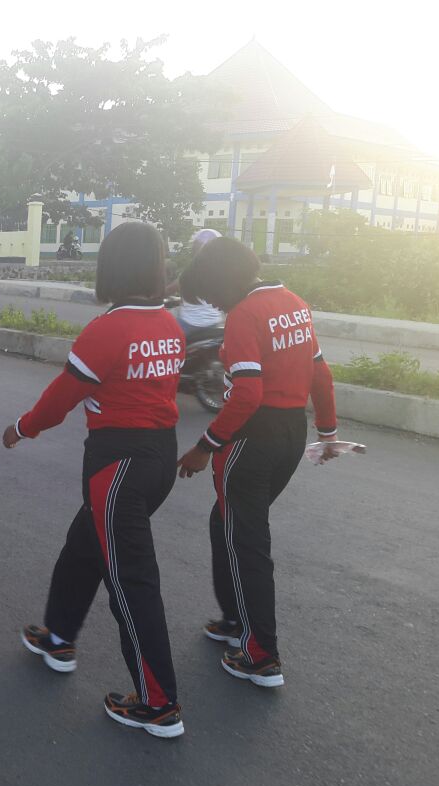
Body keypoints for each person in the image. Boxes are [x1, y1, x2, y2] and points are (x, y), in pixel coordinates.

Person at [5, 221, 186, 739]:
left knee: (131, 584)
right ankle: (58, 636)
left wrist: (20, 429)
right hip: (157, 459)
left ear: (111, 267)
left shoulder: (108, 329)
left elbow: (61, 399)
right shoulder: (168, 324)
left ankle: (158, 703)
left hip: (117, 467)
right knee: (82, 547)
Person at [175, 237, 338, 689]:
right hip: (290, 431)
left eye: (209, 294)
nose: (212, 305)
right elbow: (320, 373)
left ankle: (260, 653)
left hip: (252, 438)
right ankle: (235, 621)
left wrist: (204, 447)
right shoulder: (294, 303)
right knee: (226, 525)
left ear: (221, 283)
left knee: (245, 542)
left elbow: (247, 391)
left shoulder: (245, 314)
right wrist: (327, 432)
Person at [174, 228, 225, 335]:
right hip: (215, 323)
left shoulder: (192, 270)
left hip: (190, 323)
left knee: (163, 334)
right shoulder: (223, 273)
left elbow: (170, 289)